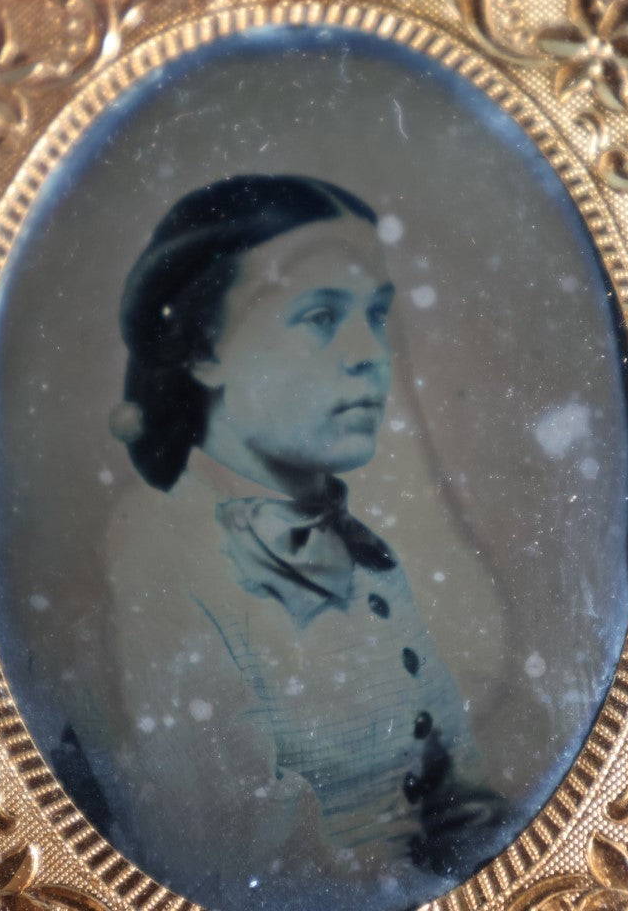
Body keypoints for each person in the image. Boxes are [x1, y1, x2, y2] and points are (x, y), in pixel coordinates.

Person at [87, 175, 509, 910]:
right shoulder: (159, 559)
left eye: (375, 318)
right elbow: (238, 857)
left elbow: (457, 785)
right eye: (320, 316)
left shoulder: (363, 552)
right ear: (203, 347)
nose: (369, 354)